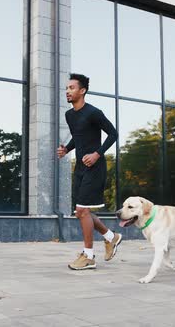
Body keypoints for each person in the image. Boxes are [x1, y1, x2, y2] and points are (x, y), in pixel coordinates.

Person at [57, 73, 121, 270]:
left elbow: (113, 133)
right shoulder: (70, 115)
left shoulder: (93, 112)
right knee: (80, 211)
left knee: (83, 210)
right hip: (80, 167)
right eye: (67, 88)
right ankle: (111, 237)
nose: (67, 91)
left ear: (82, 90)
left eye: (72, 88)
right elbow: (79, 137)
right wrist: (67, 149)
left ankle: (89, 256)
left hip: (95, 167)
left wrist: (97, 154)